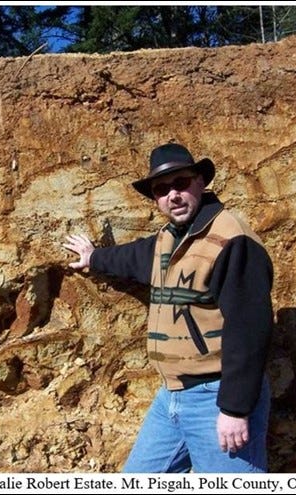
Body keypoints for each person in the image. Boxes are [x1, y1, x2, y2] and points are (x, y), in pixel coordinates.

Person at [62, 143, 274, 473]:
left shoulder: (231, 240)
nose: (172, 195)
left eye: (181, 183)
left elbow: (249, 328)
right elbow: (134, 257)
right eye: (161, 190)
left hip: (214, 397)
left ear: (200, 183)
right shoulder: (170, 238)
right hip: (171, 398)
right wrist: (94, 257)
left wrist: (235, 408)